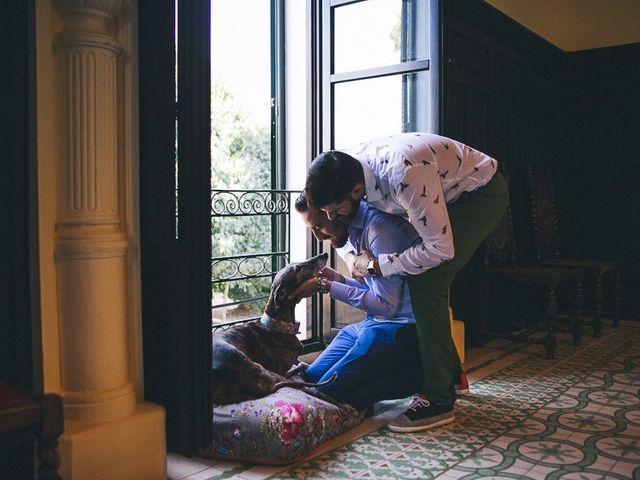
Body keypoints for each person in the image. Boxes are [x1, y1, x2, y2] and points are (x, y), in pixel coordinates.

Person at [304, 132, 509, 432]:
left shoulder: (404, 175)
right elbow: (351, 225)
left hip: (479, 194)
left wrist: (375, 266)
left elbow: (440, 249)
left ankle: (439, 399)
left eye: (334, 212)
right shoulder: (343, 168)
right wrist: (349, 256)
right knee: (424, 276)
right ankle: (452, 374)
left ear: (357, 190)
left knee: (427, 279)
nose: (332, 218)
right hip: (442, 191)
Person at [289, 192, 424, 411]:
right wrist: (339, 280)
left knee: (324, 393)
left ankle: (413, 379)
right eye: (311, 229)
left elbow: (387, 306)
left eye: (319, 225)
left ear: (333, 213)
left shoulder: (380, 231)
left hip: (397, 330)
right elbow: (376, 292)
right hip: (370, 324)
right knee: (309, 378)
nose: (318, 237)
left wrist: (326, 287)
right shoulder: (354, 231)